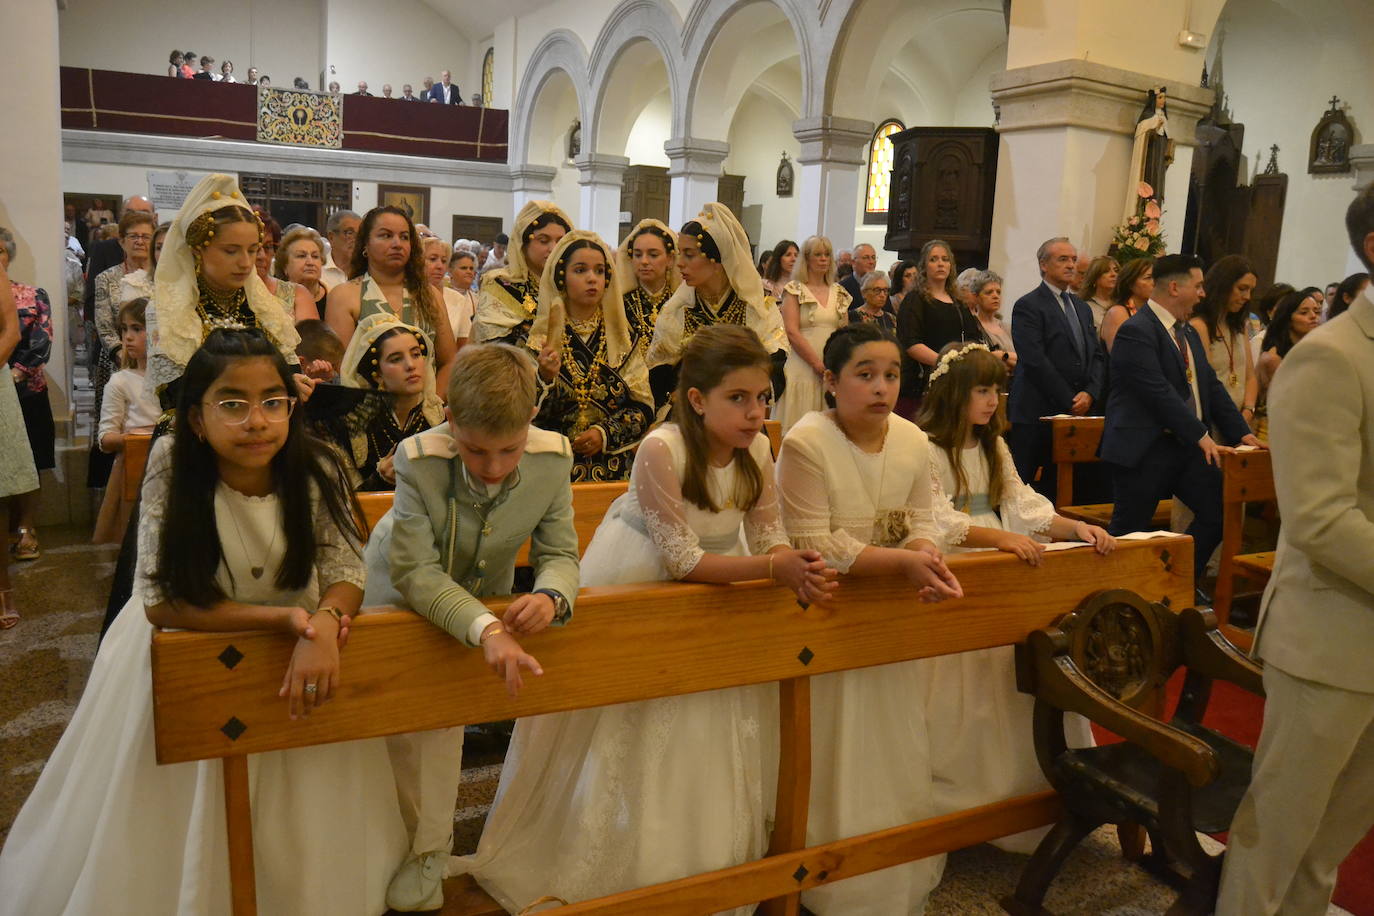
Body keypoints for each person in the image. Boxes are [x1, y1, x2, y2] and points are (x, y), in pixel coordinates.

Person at [0, 327, 408, 912]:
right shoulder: (172, 463)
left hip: (298, 655)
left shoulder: (317, 462)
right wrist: (285, 621)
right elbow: (161, 600)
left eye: (273, 402)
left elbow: (346, 567)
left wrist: (324, 620)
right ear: (196, 417)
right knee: (167, 809)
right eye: (233, 405)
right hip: (184, 648)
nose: (257, 421)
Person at [459, 324, 835, 913]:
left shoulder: (760, 447)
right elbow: (682, 560)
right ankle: (612, 856)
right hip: (643, 573)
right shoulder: (663, 447)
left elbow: (766, 535)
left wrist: (793, 561)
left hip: (723, 581)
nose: (755, 412)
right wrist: (771, 570)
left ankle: (702, 864)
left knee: (708, 717)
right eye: (738, 398)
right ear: (696, 399)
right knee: (626, 719)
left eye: (763, 398)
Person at [360, 342, 579, 913]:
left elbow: (559, 552)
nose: (494, 466)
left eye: (510, 450)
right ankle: (373, 845)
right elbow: (414, 569)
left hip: (479, 603)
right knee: (385, 730)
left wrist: (553, 594)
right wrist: (486, 628)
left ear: (531, 421)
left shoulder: (553, 459)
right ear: (450, 419)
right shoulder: (419, 458)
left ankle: (429, 850)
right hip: (395, 596)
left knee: (441, 729)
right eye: (477, 450)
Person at [1215, 187, 1374, 916]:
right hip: (1331, 636)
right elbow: (1321, 519)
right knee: (1278, 835)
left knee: (1331, 843)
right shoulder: (1331, 358)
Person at [775, 321, 963, 916]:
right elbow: (814, 541)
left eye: (891, 375)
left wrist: (925, 548)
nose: (882, 387)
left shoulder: (911, 437)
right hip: (825, 607)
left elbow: (924, 513)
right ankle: (820, 855)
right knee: (835, 728)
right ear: (830, 381)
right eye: (865, 375)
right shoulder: (806, 442)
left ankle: (886, 848)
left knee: (891, 723)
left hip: (888, 608)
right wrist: (903, 561)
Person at [915, 341, 1109, 848]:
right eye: (981, 390)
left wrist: (1074, 527)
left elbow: (1023, 505)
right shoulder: (926, 448)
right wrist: (998, 537)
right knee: (965, 678)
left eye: (996, 391)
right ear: (955, 393)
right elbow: (935, 520)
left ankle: (1026, 792)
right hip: (960, 564)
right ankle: (962, 798)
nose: (991, 401)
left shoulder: (993, 446)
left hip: (1003, 563)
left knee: (1012, 668)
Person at [1100, 254, 1262, 584]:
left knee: (1218, 513)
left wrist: (1241, 434)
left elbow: (1209, 386)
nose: (1204, 293)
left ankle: (1176, 581)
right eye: (1198, 286)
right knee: (1128, 532)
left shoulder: (1183, 330)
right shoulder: (1137, 330)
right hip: (1143, 449)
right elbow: (1156, 391)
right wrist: (1201, 434)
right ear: (1175, 287)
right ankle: (1106, 596)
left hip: (1181, 447)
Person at [526, 231, 653, 482]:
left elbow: (643, 406)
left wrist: (604, 433)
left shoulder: (624, 340)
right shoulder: (535, 340)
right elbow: (518, 415)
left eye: (599, 271)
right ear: (562, 277)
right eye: (581, 270)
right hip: (549, 470)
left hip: (612, 471)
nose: (592, 279)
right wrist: (543, 377)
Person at [646, 202, 788, 413]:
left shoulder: (757, 309)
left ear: (717, 260)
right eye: (680, 253)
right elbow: (659, 375)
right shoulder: (677, 311)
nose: (680, 263)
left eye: (689, 254)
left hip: (742, 414)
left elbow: (774, 369)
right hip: (688, 416)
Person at [1006, 237, 1105, 502]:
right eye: (1063, 259)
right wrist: (1069, 399)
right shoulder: (1028, 305)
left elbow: (1096, 355)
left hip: (1076, 411)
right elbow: (1035, 360)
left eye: (1073, 259)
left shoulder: (1082, 308)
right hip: (1036, 412)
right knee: (1023, 487)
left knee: (1064, 486)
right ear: (1043, 265)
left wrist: (1090, 393)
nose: (1071, 265)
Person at [325, 205, 457, 389]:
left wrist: (431, 408)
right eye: (386, 235)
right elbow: (343, 367)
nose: (397, 244)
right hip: (367, 408)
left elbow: (449, 362)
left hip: (426, 408)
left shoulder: (430, 294)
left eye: (404, 237)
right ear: (365, 244)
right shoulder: (344, 295)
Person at [335, 313, 444, 489]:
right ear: (378, 375)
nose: (410, 365)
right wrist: (379, 480)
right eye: (396, 359)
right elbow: (345, 503)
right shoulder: (355, 426)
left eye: (416, 354)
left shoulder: (437, 417)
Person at [2, 229, 53, 563]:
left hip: (26, 389)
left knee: (31, 459)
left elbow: (41, 340)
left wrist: (14, 374)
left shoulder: (31, 294)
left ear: (9, 255)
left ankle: (26, 528)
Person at [92, 299, 160, 544]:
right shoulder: (121, 382)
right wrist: (140, 439)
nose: (128, 337)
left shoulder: (174, 381)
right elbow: (105, 438)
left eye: (137, 329)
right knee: (134, 537)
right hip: (133, 466)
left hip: (165, 465)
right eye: (124, 329)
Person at [894, 238, 984, 418]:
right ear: (924, 266)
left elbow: (973, 338)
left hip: (956, 380)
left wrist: (965, 363)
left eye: (945, 259)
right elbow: (911, 343)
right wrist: (946, 362)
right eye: (934, 259)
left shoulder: (959, 302)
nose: (940, 264)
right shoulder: (915, 299)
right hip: (922, 381)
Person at [773, 234, 849, 433]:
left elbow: (845, 333)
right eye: (818, 254)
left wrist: (833, 364)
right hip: (802, 366)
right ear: (806, 259)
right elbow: (791, 331)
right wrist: (816, 363)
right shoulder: (795, 289)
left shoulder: (839, 292)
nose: (823, 259)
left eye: (827, 254)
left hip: (830, 366)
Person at [92, 210, 156, 443]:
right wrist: (124, 354)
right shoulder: (106, 278)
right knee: (116, 423)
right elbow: (104, 325)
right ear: (122, 241)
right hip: (116, 360)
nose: (139, 241)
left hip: (157, 360)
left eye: (146, 236)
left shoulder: (163, 277)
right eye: (133, 236)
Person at [473, 200, 572, 351]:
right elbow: (495, 346)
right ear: (523, 244)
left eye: (560, 241)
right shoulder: (502, 284)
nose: (553, 248)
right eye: (543, 241)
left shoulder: (570, 285)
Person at [1193, 254, 1259, 424]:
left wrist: (1248, 410)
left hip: (1242, 419)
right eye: (1242, 289)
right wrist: (1234, 421)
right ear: (1223, 285)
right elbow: (1205, 382)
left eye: (1251, 290)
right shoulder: (1200, 326)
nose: (1247, 297)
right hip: (1215, 420)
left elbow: (1250, 375)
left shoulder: (1239, 325)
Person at [615, 218, 680, 359]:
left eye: (653, 255)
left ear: (670, 259)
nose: (644, 261)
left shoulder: (682, 303)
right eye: (638, 255)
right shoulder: (621, 304)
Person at [1255, 288, 1322, 396]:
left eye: (1317, 311)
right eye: (1304, 312)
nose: (1313, 316)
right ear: (1288, 319)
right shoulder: (1273, 358)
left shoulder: (1312, 350)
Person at [254, 210, 316, 322]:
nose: (262, 256)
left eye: (268, 247)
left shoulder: (297, 295)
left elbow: (311, 338)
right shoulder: (223, 294)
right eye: (254, 248)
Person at [420, 236, 471, 347]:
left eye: (444, 261)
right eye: (433, 259)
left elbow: (463, 347)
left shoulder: (458, 299)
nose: (440, 266)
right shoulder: (405, 295)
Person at [1100, 257, 1153, 352]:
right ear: (1130, 284)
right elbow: (1119, 354)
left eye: (1156, 278)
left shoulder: (1151, 311)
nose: (1154, 282)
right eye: (1148, 278)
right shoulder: (1118, 313)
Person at [275, 226, 329, 320]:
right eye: (301, 256)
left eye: (315, 256)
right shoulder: (273, 299)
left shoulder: (333, 299)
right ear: (285, 266)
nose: (310, 262)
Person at [969, 269, 1017, 372]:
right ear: (976, 297)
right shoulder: (972, 326)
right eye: (989, 292)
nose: (995, 296)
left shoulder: (1008, 328)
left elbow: (1022, 361)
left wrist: (1002, 355)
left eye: (998, 292)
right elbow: (980, 362)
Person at [445, 248, 479, 349]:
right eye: (464, 268)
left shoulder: (477, 299)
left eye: (471, 268)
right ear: (450, 272)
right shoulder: (441, 296)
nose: (469, 271)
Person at [848, 270, 897, 334]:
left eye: (885, 290)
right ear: (864, 293)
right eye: (877, 290)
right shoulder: (853, 317)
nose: (882, 295)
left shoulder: (892, 318)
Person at [1078, 255, 1120, 330]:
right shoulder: (1085, 307)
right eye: (1106, 271)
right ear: (1094, 278)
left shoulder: (1124, 303)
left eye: (1116, 270)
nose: (1113, 274)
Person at [322, 209, 361, 289]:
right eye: (349, 233)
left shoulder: (368, 271)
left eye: (360, 234)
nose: (356, 239)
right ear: (331, 237)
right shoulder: (319, 271)